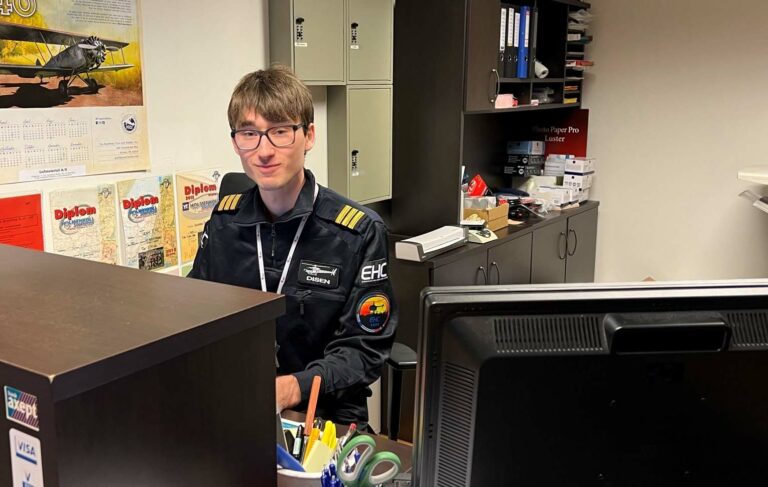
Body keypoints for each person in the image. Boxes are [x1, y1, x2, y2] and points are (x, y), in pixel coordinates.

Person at [189, 65, 396, 427]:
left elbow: (364, 350)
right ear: (235, 142)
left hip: (326, 418)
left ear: (309, 136)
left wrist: (291, 389)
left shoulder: (358, 232)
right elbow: (195, 314)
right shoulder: (224, 223)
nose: (264, 151)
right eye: (249, 134)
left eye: (280, 132)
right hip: (239, 407)